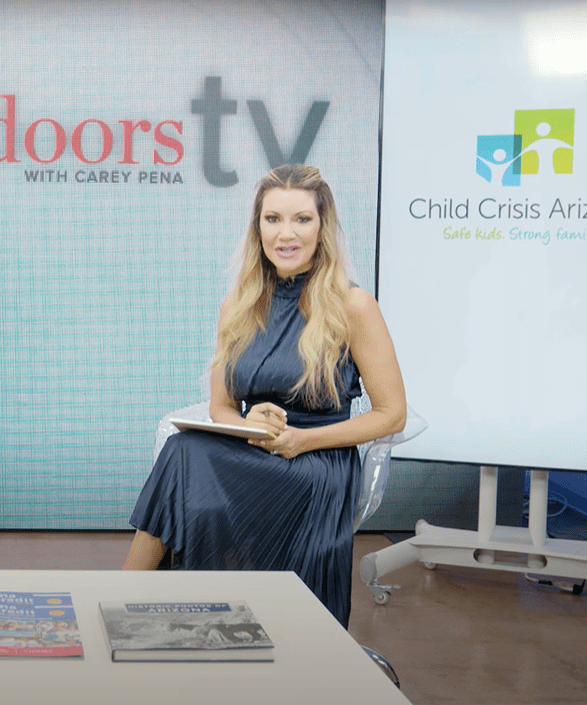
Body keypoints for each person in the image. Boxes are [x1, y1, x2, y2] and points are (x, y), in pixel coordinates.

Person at [123, 164, 406, 627]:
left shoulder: (354, 305)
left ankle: (123, 603)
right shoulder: (239, 304)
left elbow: (392, 415)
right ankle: (142, 607)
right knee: (183, 449)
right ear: (257, 227)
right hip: (255, 449)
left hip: (317, 462)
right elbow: (221, 407)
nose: (285, 234)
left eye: (301, 219)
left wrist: (302, 440)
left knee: (184, 456)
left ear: (322, 227)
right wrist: (248, 426)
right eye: (272, 219)